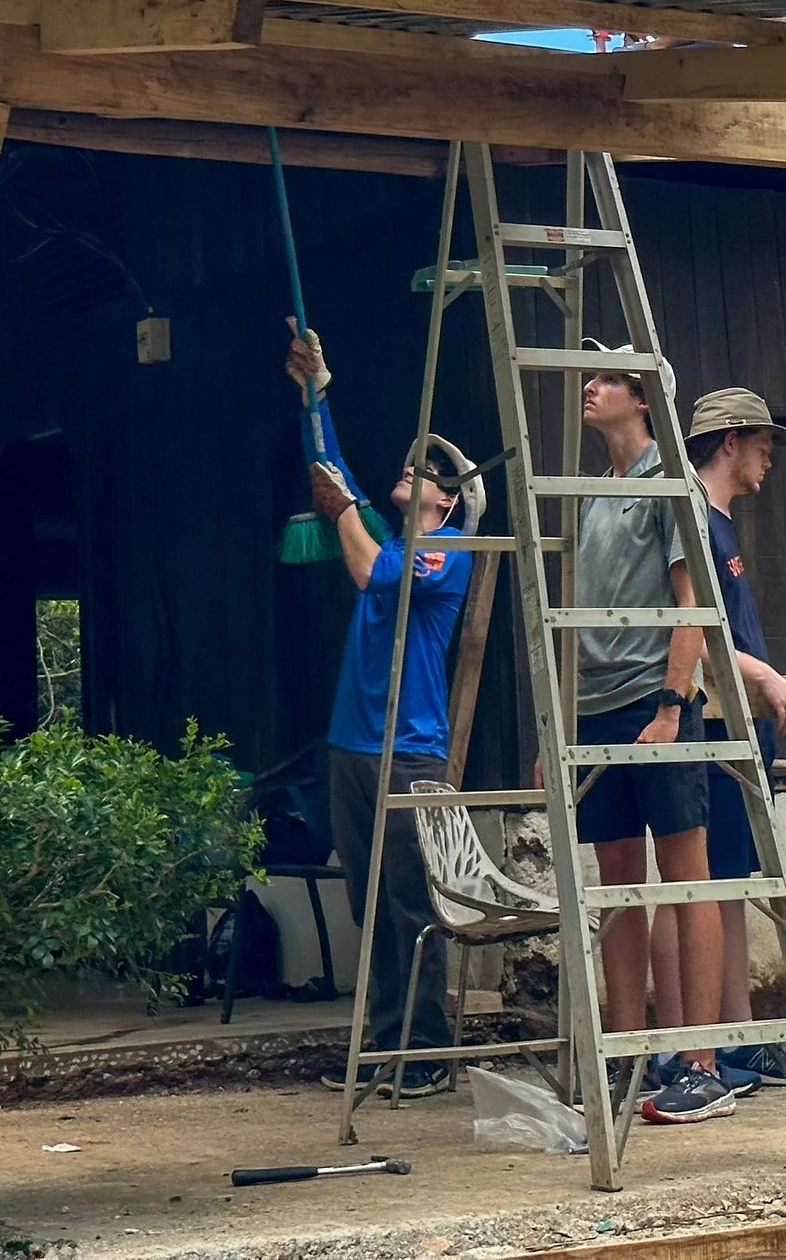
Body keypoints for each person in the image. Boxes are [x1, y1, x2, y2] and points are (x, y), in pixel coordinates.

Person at [287, 327, 477, 1099]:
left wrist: (340, 511)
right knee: (369, 903)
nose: (413, 468)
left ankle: (427, 1047)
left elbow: (365, 560)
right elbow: (338, 482)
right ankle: (382, 1038)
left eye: (429, 470)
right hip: (352, 746)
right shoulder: (394, 534)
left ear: (450, 497)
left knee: (411, 902)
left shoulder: (452, 547)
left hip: (409, 749)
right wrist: (316, 392)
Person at [571, 342, 735, 1125]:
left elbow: (692, 598)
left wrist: (672, 705)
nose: (589, 385)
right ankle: (628, 1054)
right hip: (596, 704)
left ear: (641, 397)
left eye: (605, 377)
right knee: (617, 884)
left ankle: (701, 1062)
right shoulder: (590, 490)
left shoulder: (670, 484)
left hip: (654, 697)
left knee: (685, 874)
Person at [681, 389, 786, 1089]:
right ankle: (721, 1038)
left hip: (740, 725)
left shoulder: (721, 521)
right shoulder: (697, 516)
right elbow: (695, 631)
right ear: (729, 440)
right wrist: (763, 673)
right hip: (716, 725)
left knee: (730, 879)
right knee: (712, 879)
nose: (768, 457)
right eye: (763, 443)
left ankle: (737, 1033)